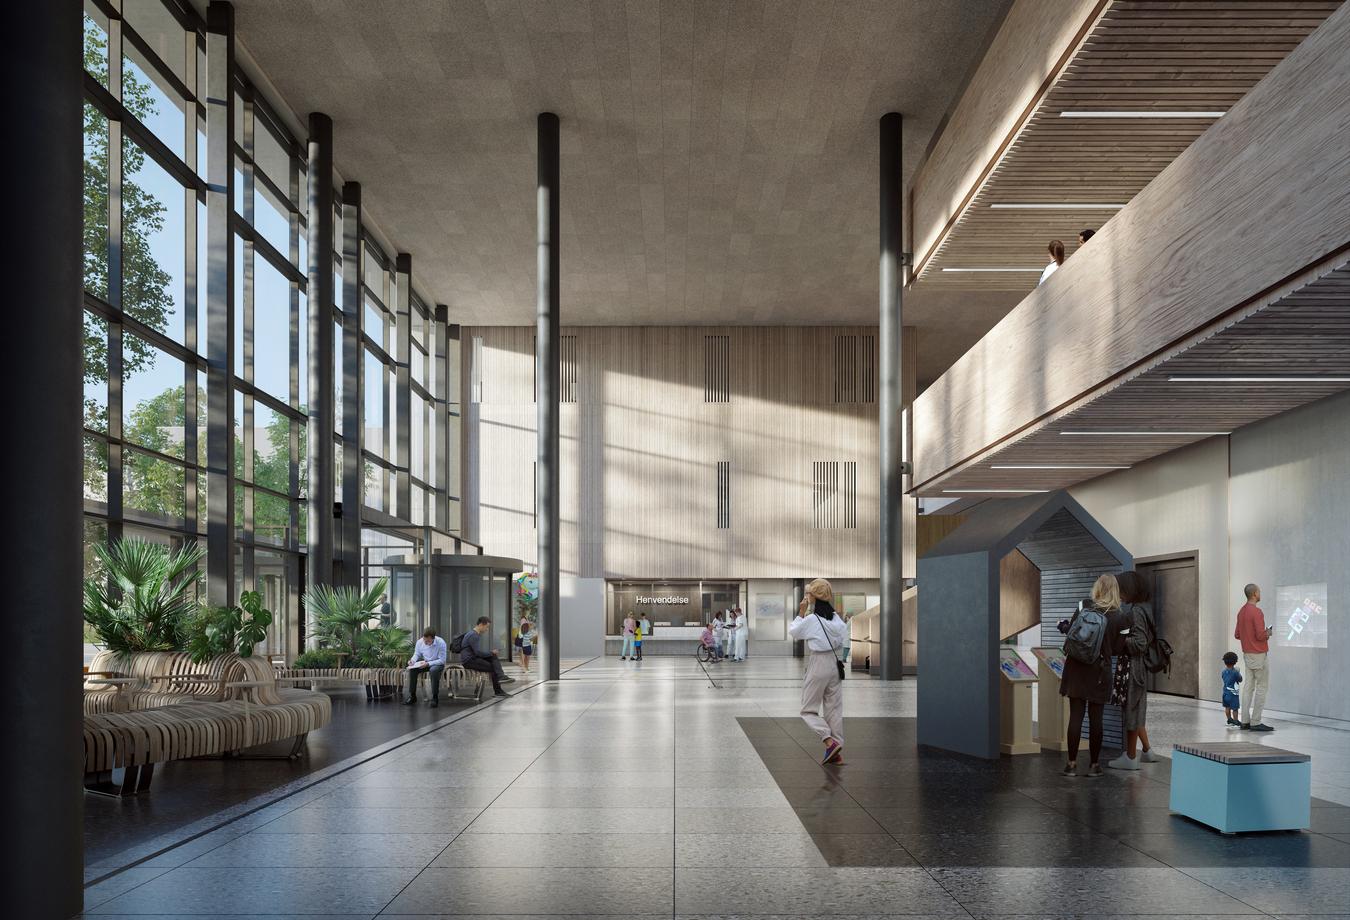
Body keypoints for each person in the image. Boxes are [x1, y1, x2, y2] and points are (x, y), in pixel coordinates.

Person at [1059, 574, 1120, 777]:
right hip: (1099, 671)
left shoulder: (1083, 607)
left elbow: (1073, 634)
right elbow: (1119, 646)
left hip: (1076, 668)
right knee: (1096, 719)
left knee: (1075, 717)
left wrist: (1065, 627)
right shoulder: (1117, 615)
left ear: (1097, 588)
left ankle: (1071, 764)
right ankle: (1094, 765)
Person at [788, 578, 849, 764]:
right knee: (834, 710)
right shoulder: (837, 618)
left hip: (818, 662)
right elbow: (843, 635)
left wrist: (800, 612)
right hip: (835, 662)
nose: (807, 596)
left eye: (809, 593)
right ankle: (836, 752)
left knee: (808, 710)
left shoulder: (812, 619)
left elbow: (794, 632)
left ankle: (829, 741)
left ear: (814, 596)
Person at [1108, 570, 1158, 770]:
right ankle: (1146, 751)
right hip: (1139, 668)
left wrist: (1119, 639)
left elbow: (1139, 642)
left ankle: (1130, 757)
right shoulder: (1144, 608)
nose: (1118, 593)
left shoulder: (1137, 611)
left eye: (1120, 589)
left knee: (1132, 710)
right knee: (1136, 710)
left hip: (1133, 667)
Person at [1235, 584, 1274, 731]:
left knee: (1248, 688)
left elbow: (1237, 634)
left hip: (1247, 654)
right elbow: (1259, 635)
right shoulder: (1257, 612)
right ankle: (1256, 721)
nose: (1260, 594)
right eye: (1259, 591)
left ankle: (1244, 721)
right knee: (1262, 688)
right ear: (1255, 594)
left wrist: (1248, 637)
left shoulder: (1241, 612)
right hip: (1259, 654)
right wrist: (1268, 633)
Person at [461, 616, 509, 698]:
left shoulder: (475, 634)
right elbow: (478, 653)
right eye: (486, 627)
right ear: (481, 625)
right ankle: (498, 689)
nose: (487, 629)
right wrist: (491, 652)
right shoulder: (473, 635)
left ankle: (501, 677)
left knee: (493, 657)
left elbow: (477, 652)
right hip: (469, 661)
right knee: (493, 667)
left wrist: (491, 653)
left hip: (473, 658)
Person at [404, 626, 446, 707]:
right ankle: (412, 696)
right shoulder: (420, 642)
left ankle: (435, 697)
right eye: (425, 640)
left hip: (437, 663)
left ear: (433, 638)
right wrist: (412, 661)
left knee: (433, 670)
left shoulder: (441, 642)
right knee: (412, 670)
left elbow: (442, 660)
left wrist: (428, 664)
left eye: (428, 641)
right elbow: (417, 654)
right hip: (425, 663)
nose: (426, 642)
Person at [1221, 651, 1243, 728]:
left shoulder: (1223, 672)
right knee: (1235, 709)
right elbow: (1240, 679)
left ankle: (1229, 719)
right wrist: (1238, 672)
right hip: (1233, 694)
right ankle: (1236, 721)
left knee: (1227, 707)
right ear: (1235, 662)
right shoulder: (1235, 672)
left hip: (1225, 693)